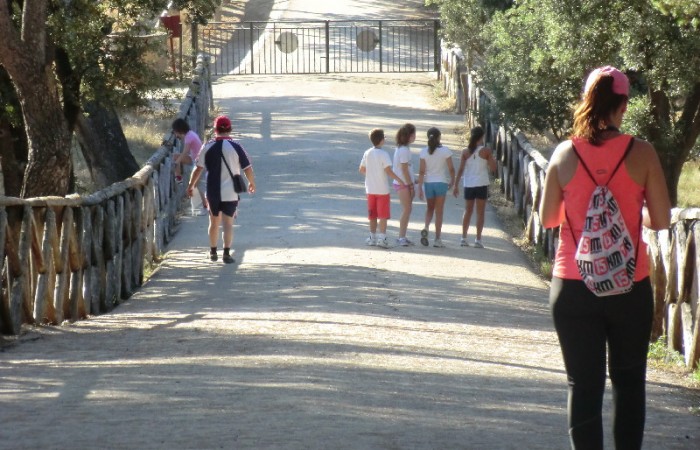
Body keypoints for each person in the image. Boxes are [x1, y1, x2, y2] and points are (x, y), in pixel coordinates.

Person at [539, 66, 671, 448]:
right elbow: (660, 219)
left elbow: (549, 218)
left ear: (587, 101)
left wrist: (585, 209)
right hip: (630, 285)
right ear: (623, 105)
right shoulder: (641, 152)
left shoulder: (564, 154)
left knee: (583, 386)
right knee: (629, 384)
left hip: (573, 285)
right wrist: (627, 211)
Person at [187, 115, 256, 264]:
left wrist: (191, 185)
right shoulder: (237, 147)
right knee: (228, 224)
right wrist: (251, 183)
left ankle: (212, 252)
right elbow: (247, 168)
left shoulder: (207, 146)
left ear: (215, 129)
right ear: (230, 129)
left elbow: (198, 169)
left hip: (212, 191)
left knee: (213, 222)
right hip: (231, 192)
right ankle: (226, 254)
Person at [359, 128, 407, 249]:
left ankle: (372, 237)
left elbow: (362, 169)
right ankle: (382, 237)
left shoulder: (367, 152)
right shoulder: (384, 154)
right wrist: (399, 179)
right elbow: (388, 170)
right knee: (383, 215)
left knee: (372, 214)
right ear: (381, 140)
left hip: (370, 189)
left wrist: (371, 175)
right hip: (382, 190)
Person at [453, 126, 497, 248]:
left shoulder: (465, 151)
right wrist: (493, 159)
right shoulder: (486, 151)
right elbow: (493, 168)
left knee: (467, 210)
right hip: (481, 183)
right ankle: (478, 240)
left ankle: (463, 238)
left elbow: (461, 169)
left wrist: (456, 185)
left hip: (469, 183)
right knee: (480, 212)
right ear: (482, 137)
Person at [418, 127, 455, 247]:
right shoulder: (445, 151)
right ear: (439, 137)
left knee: (430, 209)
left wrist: (419, 187)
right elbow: (451, 168)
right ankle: (437, 239)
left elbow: (422, 171)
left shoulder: (424, 152)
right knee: (439, 212)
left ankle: (426, 227)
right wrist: (453, 180)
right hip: (441, 183)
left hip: (429, 183)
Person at [172, 118, 208, 216]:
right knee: (174, 157)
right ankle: (178, 177)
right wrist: (178, 160)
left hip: (200, 162)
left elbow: (185, 152)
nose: (176, 135)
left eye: (176, 132)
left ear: (179, 130)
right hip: (195, 159)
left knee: (198, 185)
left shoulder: (189, 137)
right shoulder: (190, 134)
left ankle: (206, 207)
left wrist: (178, 162)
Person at [392, 123, 417, 246]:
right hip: (403, 184)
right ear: (409, 136)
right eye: (413, 134)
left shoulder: (403, 149)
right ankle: (401, 237)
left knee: (408, 209)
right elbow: (404, 169)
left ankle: (403, 236)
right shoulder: (403, 150)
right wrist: (411, 185)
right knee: (407, 209)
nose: (415, 136)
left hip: (405, 183)